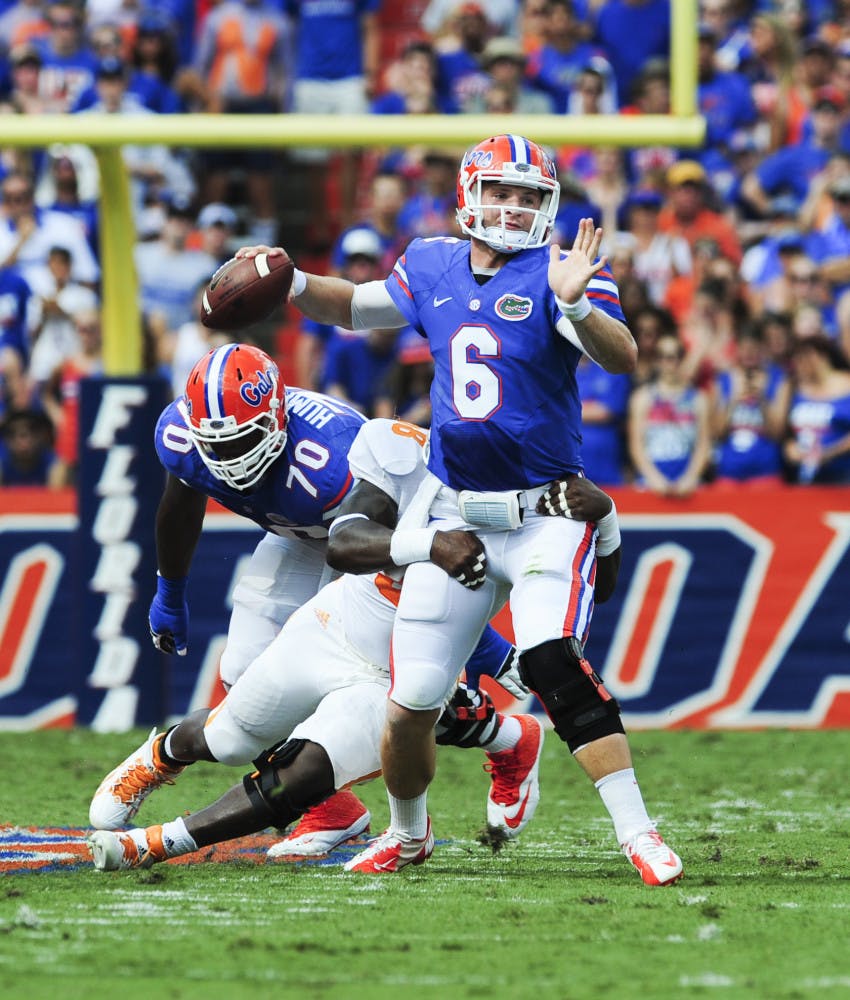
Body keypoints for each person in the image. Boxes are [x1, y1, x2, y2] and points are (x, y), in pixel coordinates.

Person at [234, 134, 683, 886]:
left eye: (530, 197)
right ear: (471, 194)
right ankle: (409, 836)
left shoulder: (557, 272)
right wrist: (290, 279)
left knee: (551, 662)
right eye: (503, 193)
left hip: (545, 511)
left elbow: (621, 355)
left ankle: (637, 832)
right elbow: (356, 306)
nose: (514, 208)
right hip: (454, 515)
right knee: (410, 700)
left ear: (548, 208)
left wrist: (574, 300)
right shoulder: (433, 261)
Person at [88, 418, 603, 869]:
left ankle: (158, 844)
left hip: (400, 665)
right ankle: (163, 752)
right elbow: (343, 543)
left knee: (304, 773)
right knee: (230, 737)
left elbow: (578, 589)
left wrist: (606, 519)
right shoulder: (403, 453)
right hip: (338, 621)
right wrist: (430, 544)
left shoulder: (543, 518)